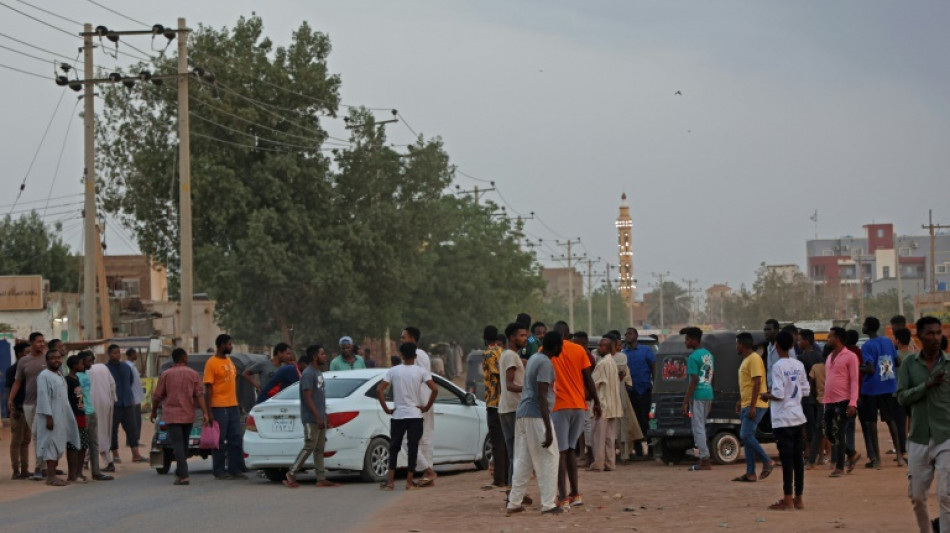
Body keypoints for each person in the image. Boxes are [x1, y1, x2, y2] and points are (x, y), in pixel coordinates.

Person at [898, 316, 949, 533]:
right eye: (930, 333)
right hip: (918, 436)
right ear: (919, 336)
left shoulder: (949, 365)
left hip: (946, 436)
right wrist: (926, 386)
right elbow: (901, 397)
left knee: (946, 494)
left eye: (938, 333)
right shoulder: (909, 364)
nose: (935, 338)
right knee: (917, 497)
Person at [507, 331, 564, 515]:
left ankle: (514, 502)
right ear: (555, 347)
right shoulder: (545, 363)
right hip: (535, 416)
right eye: (561, 345)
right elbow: (541, 395)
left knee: (524, 460)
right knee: (550, 457)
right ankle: (548, 504)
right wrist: (548, 428)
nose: (562, 348)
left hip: (523, 415)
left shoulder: (534, 358)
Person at [550, 321, 601, 510]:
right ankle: (575, 493)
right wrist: (597, 402)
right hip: (579, 406)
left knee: (561, 451)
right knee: (571, 450)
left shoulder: (545, 350)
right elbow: (588, 378)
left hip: (559, 406)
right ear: (569, 333)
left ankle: (562, 497)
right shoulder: (579, 351)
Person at [377, 342, 438, 491]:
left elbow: (380, 390)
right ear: (415, 356)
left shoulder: (393, 371)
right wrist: (427, 407)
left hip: (398, 415)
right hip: (415, 415)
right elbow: (434, 389)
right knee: (413, 448)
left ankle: (390, 482)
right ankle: (409, 483)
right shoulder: (421, 371)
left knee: (394, 448)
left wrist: (386, 408)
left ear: (401, 355)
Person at [761, 330, 810, 511]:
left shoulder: (777, 366)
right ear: (791, 345)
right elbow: (806, 390)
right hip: (798, 417)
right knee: (798, 460)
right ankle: (799, 498)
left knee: (787, 460)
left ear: (776, 346)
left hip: (783, 419)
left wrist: (767, 395)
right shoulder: (798, 364)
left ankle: (787, 499)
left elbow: (779, 394)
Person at [285, 345, 341, 488]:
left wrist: (324, 416)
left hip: (320, 416)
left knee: (319, 448)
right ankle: (291, 473)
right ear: (315, 356)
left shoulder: (318, 373)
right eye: (322, 354)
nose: (325, 356)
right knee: (310, 445)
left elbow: (319, 396)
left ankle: (320, 478)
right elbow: (308, 397)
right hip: (311, 418)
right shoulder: (308, 374)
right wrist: (317, 416)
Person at [151, 347, 209, 485]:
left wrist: (153, 411)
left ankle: (183, 474)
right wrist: (205, 412)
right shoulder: (193, 374)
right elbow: (199, 395)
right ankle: (181, 472)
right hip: (188, 414)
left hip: (172, 415)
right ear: (184, 358)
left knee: (177, 444)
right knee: (183, 444)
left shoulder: (166, 374)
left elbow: (157, 396)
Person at [859, 316, 905, 469]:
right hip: (888, 386)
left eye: (864, 324)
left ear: (868, 328)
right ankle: (899, 456)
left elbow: (870, 369)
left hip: (872, 389)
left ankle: (877, 459)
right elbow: (897, 361)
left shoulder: (867, 346)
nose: (862, 326)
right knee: (891, 420)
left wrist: (856, 368)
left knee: (872, 422)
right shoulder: (887, 341)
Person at [204, 334, 247, 480]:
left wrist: (237, 402)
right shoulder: (211, 363)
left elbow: (231, 384)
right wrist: (208, 411)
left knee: (235, 438)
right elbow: (208, 388)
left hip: (232, 406)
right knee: (220, 440)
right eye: (229, 344)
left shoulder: (229, 360)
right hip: (219, 407)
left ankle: (235, 469)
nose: (231, 346)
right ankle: (219, 470)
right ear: (222, 345)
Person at [733, 332, 774, 482]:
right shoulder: (746, 360)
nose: (736, 347)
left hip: (756, 404)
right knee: (748, 437)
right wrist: (741, 401)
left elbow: (757, 382)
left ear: (742, 345)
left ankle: (767, 461)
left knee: (746, 435)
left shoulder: (754, 359)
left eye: (737, 344)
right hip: (747, 403)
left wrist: (752, 407)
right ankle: (750, 472)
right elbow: (747, 385)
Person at [6, 332, 48, 479]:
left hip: (45, 403)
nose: (42, 344)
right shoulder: (24, 362)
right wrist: (10, 400)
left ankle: (39, 467)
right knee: (34, 436)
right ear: (31, 343)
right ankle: (40, 467)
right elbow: (17, 382)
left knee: (37, 434)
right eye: (38, 342)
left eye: (43, 341)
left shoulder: (48, 358)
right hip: (27, 405)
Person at [35, 348, 80, 486]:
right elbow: (43, 397)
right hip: (51, 416)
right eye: (53, 358)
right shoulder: (44, 376)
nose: (56, 360)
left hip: (64, 415)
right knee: (51, 445)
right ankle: (51, 477)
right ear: (47, 360)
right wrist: (49, 417)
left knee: (71, 440)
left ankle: (72, 475)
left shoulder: (60, 375)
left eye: (58, 358)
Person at [400, 326, 437, 484]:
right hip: (425, 400)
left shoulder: (417, 355)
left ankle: (427, 470)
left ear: (412, 339)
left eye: (404, 337)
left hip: (418, 402)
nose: (401, 340)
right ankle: (428, 473)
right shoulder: (423, 355)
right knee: (424, 438)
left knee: (408, 440)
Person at [823, 327, 861, 477]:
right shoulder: (829, 356)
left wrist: (853, 402)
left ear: (837, 339)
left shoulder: (850, 356)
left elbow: (854, 381)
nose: (828, 339)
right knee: (827, 432)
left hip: (844, 400)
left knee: (839, 432)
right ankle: (852, 454)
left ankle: (839, 467)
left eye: (830, 337)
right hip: (829, 400)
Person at [499, 322, 528, 491]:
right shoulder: (510, 356)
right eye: (522, 335)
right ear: (512, 337)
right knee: (518, 453)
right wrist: (530, 390)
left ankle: (513, 490)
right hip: (514, 408)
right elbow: (510, 384)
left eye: (525, 335)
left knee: (514, 453)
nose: (525, 339)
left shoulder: (510, 355)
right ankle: (514, 491)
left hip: (508, 408)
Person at [681, 327, 714, 471]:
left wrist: (685, 401)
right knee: (702, 427)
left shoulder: (693, 357)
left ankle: (704, 459)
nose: (685, 342)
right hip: (708, 393)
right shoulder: (708, 355)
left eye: (687, 339)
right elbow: (711, 376)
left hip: (698, 395)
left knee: (698, 428)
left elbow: (694, 379)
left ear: (694, 340)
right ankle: (704, 457)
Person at [107, 344, 145, 464]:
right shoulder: (106, 368)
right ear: (109, 354)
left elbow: (130, 381)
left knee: (132, 429)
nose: (117, 355)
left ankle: (136, 454)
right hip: (114, 404)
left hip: (128, 403)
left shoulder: (125, 367)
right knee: (113, 431)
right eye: (114, 353)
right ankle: (115, 455)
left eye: (119, 352)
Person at [481, 325, 508, 489]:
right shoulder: (504, 352)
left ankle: (500, 478)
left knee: (497, 441)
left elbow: (496, 374)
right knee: (505, 440)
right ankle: (506, 475)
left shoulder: (488, 354)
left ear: (484, 338)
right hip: (505, 401)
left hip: (494, 401)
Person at [590, 337, 622, 471]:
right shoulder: (612, 362)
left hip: (602, 404)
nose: (599, 348)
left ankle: (598, 463)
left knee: (598, 437)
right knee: (609, 438)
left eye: (602, 346)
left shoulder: (603, 364)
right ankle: (610, 463)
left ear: (608, 348)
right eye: (599, 346)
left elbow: (593, 383)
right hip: (613, 405)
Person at [623, 327, 655, 460]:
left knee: (647, 421)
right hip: (631, 392)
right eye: (626, 334)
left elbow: (654, 368)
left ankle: (652, 450)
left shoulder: (646, 351)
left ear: (636, 335)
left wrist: (655, 386)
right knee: (633, 422)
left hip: (645, 390)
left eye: (630, 333)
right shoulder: (624, 354)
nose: (627, 336)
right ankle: (639, 451)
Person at [797, 329, 823, 465]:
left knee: (807, 427)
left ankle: (808, 453)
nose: (798, 342)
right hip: (819, 396)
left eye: (800, 340)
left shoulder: (800, 358)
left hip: (806, 397)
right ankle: (821, 454)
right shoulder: (820, 356)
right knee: (819, 427)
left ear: (806, 341)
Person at [6, 341, 31, 479]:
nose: (29, 355)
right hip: (18, 410)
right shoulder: (12, 370)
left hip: (28, 409)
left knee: (26, 440)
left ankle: (25, 470)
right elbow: (10, 390)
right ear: (19, 354)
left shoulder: (28, 369)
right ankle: (16, 470)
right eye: (27, 353)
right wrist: (12, 408)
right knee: (16, 441)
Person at [88, 355, 117, 473]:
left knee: (94, 433)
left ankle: (108, 462)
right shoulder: (103, 367)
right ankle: (88, 460)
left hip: (90, 406)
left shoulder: (84, 372)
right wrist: (112, 400)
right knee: (103, 431)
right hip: (106, 403)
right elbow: (112, 384)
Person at [64, 355, 89, 483]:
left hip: (80, 414)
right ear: (74, 366)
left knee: (83, 445)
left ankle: (79, 472)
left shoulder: (77, 378)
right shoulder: (67, 380)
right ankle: (72, 474)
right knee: (73, 445)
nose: (83, 366)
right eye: (80, 364)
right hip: (73, 415)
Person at [806, 345, 828, 468]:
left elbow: (811, 385)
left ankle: (811, 461)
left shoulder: (816, 367)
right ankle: (834, 460)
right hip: (834, 401)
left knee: (818, 431)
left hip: (821, 401)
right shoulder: (834, 367)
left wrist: (816, 395)